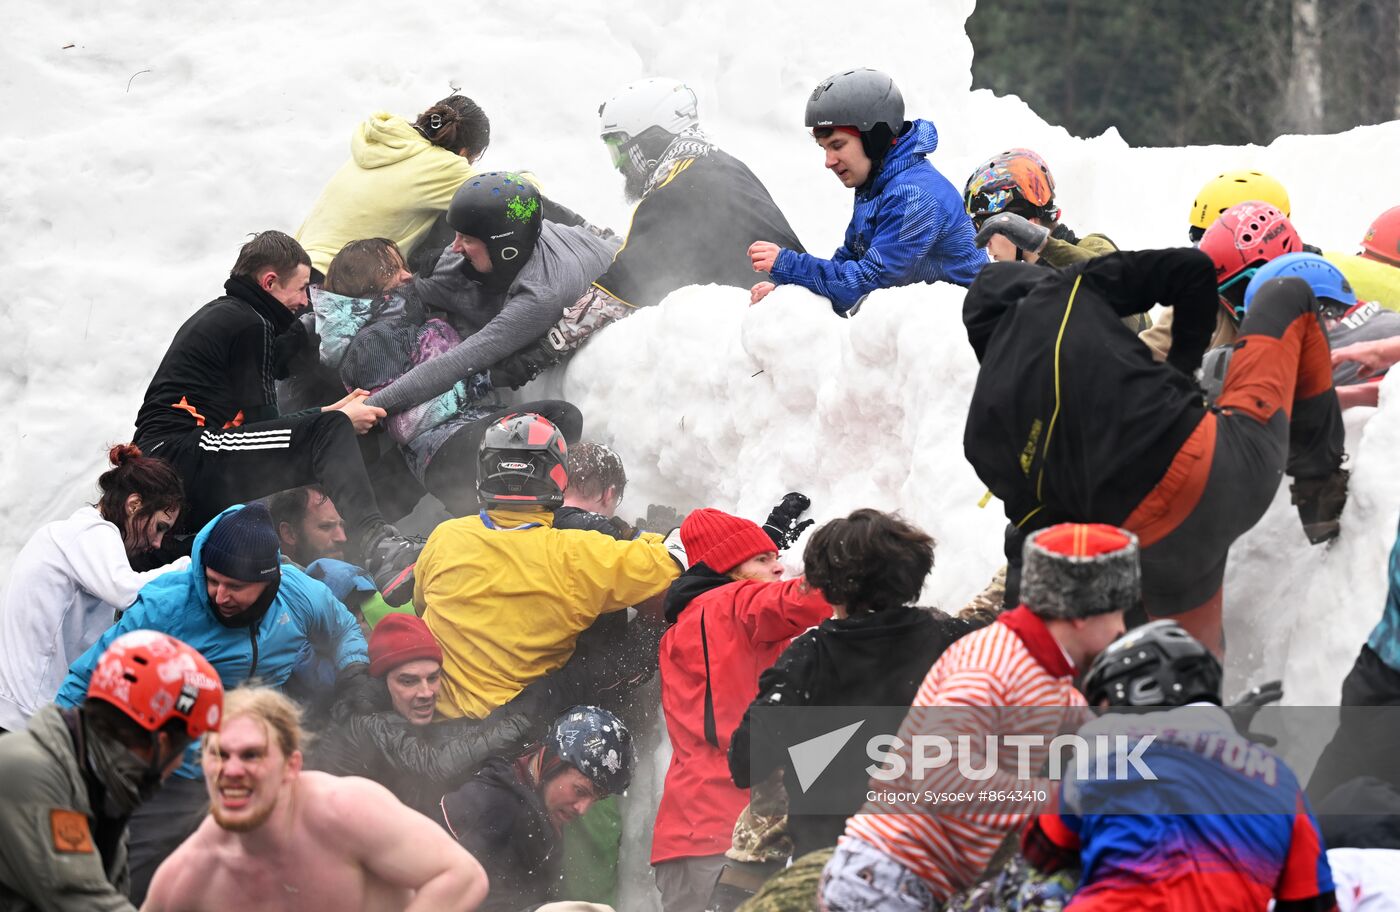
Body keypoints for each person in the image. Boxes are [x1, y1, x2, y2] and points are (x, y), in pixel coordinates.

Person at [963, 246, 1346, 656]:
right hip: (1220, 467)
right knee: (1287, 291)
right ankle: (1318, 490)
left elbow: (1044, 540)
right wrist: (1182, 375)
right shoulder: (1065, 289)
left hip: (1158, 550)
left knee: (1187, 672)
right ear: (1029, 285)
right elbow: (1194, 269)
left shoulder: (981, 435)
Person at [55, 502, 370, 903]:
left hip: (254, 764)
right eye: (212, 579)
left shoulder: (297, 594)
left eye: (235, 586)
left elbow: (343, 629)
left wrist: (356, 673)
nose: (219, 595)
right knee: (135, 885)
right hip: (174, 772)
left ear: (267, 580)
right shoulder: (165, 608)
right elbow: (87, 679)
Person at [821, 523, 1133, 910]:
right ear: (1083, 613)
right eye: (1117, 612)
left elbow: (1091, 730)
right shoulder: (993, 666)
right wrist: (1057, 799)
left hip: (919, 880)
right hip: (886, 877)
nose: (1121, 628)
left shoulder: (1046, 675)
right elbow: (938, 775)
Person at [132, 230, 420, 599]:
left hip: (171, 459)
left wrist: (325, 412)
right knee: (327, 431)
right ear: (269, 282)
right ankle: (377, 543)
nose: (304, 301)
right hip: (184, 451)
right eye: (301, 289)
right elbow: (263, 426)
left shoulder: (226, 315)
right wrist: (335, 419)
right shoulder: (250, 322)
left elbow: (265, 434)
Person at [481, 78, 806, 390]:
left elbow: (612, 295)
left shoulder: (676, 192)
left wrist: (528, 360)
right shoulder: (721, 167)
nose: (619, 165)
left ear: (651, 142)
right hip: (793, 323)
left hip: (764, 349)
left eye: (619, 148)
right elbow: (656, 249)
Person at [1021, 620, 1337, 912]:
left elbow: (1040, 852)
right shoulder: (1279, 779)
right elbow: (1314, 902)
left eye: (1106, 707)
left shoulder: (1104, 751)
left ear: (1142, 692)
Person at [728, 509, 981, 865]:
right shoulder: (958, 641)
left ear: (827, 583)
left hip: (834, 860)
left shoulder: (810, 658)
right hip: (938, 855)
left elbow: (747, 760)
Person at [322, 206, 601, 514]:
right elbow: (402, 423)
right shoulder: (373, 340)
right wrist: (485, 381)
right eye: (391, 270)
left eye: (402, 265)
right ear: (368, 283)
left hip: (462, 440)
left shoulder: (410, 319)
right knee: (559, 417)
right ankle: (568, 514)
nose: (406, 275)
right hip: (444, 449)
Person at [415, 412, 682, 719]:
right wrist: (648, 536)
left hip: (438, 719)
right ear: (556, 475)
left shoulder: (445, 537)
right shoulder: (575, 554)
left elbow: (422, 605)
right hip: (522, 728)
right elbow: (672, 564)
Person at [143, 686, 488, 912]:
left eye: (251, 756)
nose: (231, 770)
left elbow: (461, 875)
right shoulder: (191, 874)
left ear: (291, 766)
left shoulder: (344, 810)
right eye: (219, 755)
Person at [651, 504, 832, 912]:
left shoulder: (683, 627)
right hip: (731, 831)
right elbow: (804, 601)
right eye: (764, 559)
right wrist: (869, 564)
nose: (780, 567)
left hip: (682, 836)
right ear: (730, 569)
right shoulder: (736, 603)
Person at [0, 631, 222, 912]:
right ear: (162, 743)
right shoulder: (30, 771)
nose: (181, 763)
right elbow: (83, 899)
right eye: (187, 749)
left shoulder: (100, 782)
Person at [747, 68, 983, 314]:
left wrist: (788, 264)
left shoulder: (914, 196)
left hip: (961, 336)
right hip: (913, 330)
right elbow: (847, 263)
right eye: (824, 148)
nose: (828, 161)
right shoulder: (876, 186)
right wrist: (792, 292)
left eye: (837, 145)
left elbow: (863, 284)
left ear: (875, 138)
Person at [308, 613, 586, 815]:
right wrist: (519, 721)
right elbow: (435, 765)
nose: (426, 692)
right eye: (408, 681)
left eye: (433, 677)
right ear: (383, 682)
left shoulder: (393, 712)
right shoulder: (365, 720)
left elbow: (449, 739)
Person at [0, 444, 188, 733]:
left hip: (22, 715)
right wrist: (192, 565)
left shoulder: (75, 536)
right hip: (26, 721)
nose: (157, 543)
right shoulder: (90, 533)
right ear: (134, 505)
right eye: (160, 527)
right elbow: (128, 593)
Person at [439, 705, 633, 912]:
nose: (582, 809)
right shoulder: (493, 803)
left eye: (595, 800)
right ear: (552, 762)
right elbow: (451, 897)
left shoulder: (540, 815)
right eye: (579, 791)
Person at [296, 94, 491, 277]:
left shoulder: (383, 141)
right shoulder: (442, 166)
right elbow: (500, 193)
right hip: (332, 282)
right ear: (464, 152)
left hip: (292, 268)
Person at [964, 148, 1148, 335]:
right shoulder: (1028, 289)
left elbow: (1117, 293)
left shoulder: (1094, 246)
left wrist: (1042, 244)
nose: (984, 240)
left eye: (989, 227)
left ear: (1026, 223)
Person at [268, 484, 347, 567]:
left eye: (342, 525)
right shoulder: (273, 579)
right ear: (289, 534)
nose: (342, 538)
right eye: (325, 526)